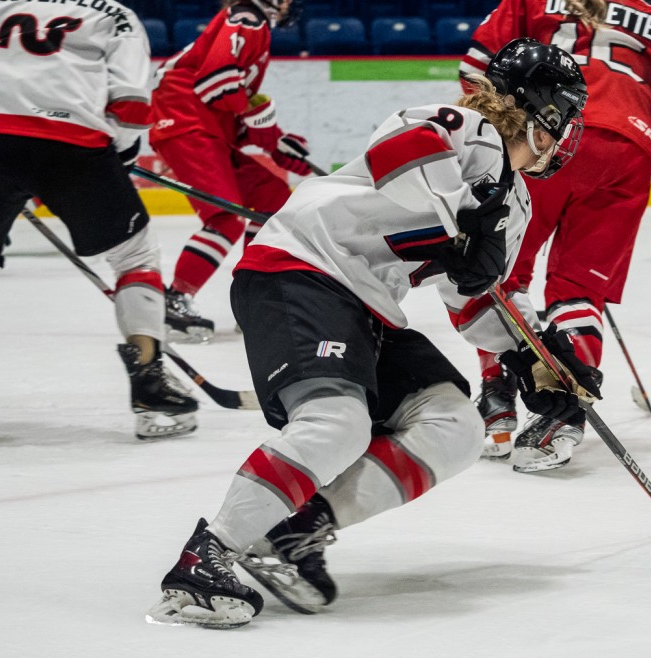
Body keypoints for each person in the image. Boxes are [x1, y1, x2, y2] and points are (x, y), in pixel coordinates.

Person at [146, 38, 598, 629]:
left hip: (367, 302)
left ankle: (295, 531)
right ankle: (205, 558)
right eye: (563, 120)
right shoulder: (466, 128)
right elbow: (398, 153)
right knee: (336, 424)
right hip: (300, 267)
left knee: (455, 427)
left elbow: (472, 300)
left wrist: (533, 357)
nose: (566, 137)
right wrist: (465, 219)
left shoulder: (516, 202)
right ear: (541, 114)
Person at [459, 0, 651, 472]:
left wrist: (488, 142)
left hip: (543, 135)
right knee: (578, 291)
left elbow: (477, 67)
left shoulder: (529, 1)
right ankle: (563, 418)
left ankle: (498, 402)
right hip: (627, 147)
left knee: (501, 274)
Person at [0, 0, 198, 438]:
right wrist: (118, 156)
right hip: (71, 142)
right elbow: (133, 104)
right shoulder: (114, 13)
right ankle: (151, 388)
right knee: (136, 255)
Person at [150, 0, 312, 343]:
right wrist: (260, 123)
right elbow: (216, 79)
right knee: (224, 216)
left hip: (206, 127)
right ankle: (174, 299)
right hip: (187, 124)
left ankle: (257, 298)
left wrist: (275, 141)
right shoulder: (248, 16)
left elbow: (226, 101)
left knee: (273, 198)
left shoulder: (253, 24)